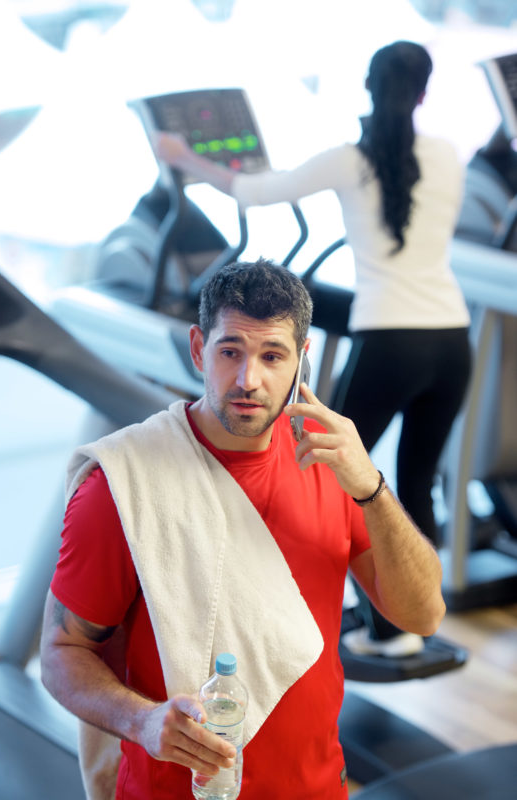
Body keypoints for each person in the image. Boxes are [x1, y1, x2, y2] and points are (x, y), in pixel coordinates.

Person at [40, 259, 445, 800]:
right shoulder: (123, 484)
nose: (247, 380)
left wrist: (371, 486)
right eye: (230, 351)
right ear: (197, 349)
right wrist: (141, 723)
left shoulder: (333, 467)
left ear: (303, 360)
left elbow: (422, 614)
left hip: (317, 786)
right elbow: (62, 653)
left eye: (272, 356)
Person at [153, 40, 472, 656]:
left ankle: (311, 614)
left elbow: (253, 191)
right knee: (416, 479)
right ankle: (396, 631)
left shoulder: (352, 159)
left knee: (323, 466)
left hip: (390, 341)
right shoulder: (448, 156)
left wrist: (182, 156)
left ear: (368, 89)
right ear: (424, 93)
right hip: (452, 342)